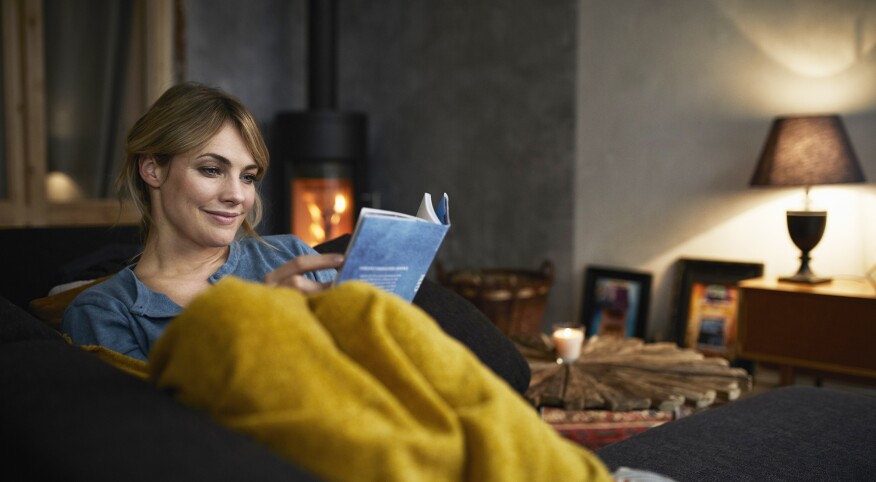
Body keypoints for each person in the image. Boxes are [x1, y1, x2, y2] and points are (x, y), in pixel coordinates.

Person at [61, 82, 344, 361]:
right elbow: (155, 408)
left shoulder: (291, 256)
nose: (236, 196)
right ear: (152, 170)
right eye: (211, 170)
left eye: (247, 177)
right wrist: (258, 325)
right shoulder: (103, 311)